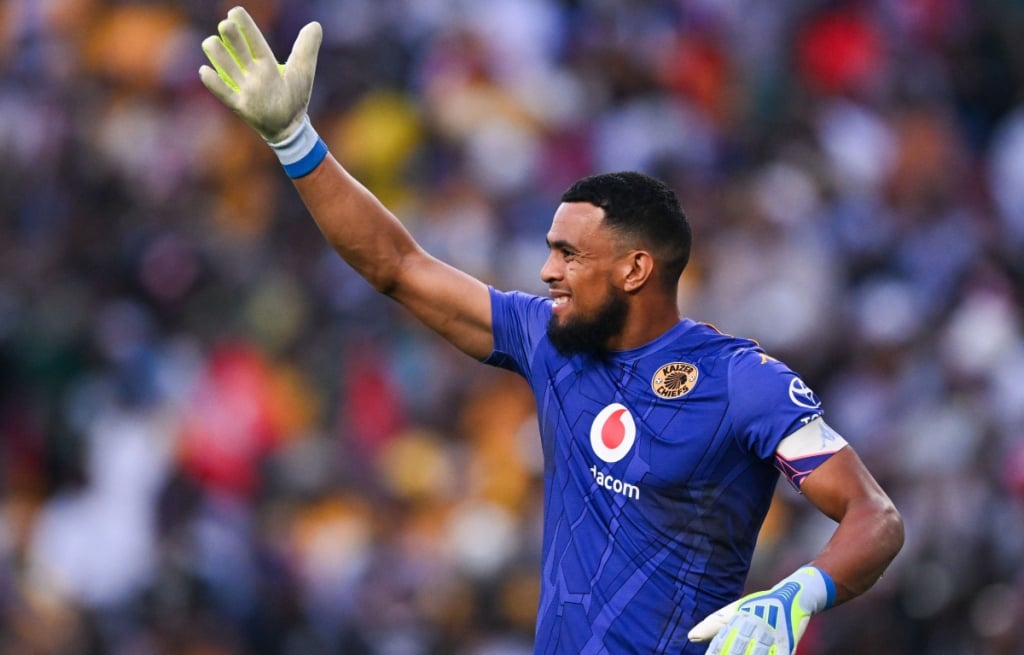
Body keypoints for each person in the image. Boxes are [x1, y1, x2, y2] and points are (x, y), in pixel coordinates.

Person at [198, 7, 904, 655]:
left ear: (633, 268)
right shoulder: (548, 342)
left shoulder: (742, 382)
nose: (545, 271)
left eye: (568, 253)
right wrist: (294, 140)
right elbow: (397, 266)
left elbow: (874, 516)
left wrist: (793, 597)